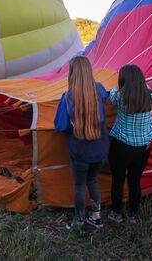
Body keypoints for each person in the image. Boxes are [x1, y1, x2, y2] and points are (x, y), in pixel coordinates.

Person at [54, 56, 109, 230]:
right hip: (101, 149)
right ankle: (96, 217)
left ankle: (79, 220)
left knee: (79, 185)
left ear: (72, 73)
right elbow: (106, 99)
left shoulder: (67, 97)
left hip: (80, 150)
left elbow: (60, 126)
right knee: (92, 180)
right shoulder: (100, 90)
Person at [108, 64, 152, 223]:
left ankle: (116, 213)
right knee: (134, 181)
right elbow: (145, 86)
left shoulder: (120, 98)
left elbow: (112, 91)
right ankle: (133, 214)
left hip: (121, 146)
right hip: (142, 148)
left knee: (117, 180)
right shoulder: (150, 96)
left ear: (123, 81)